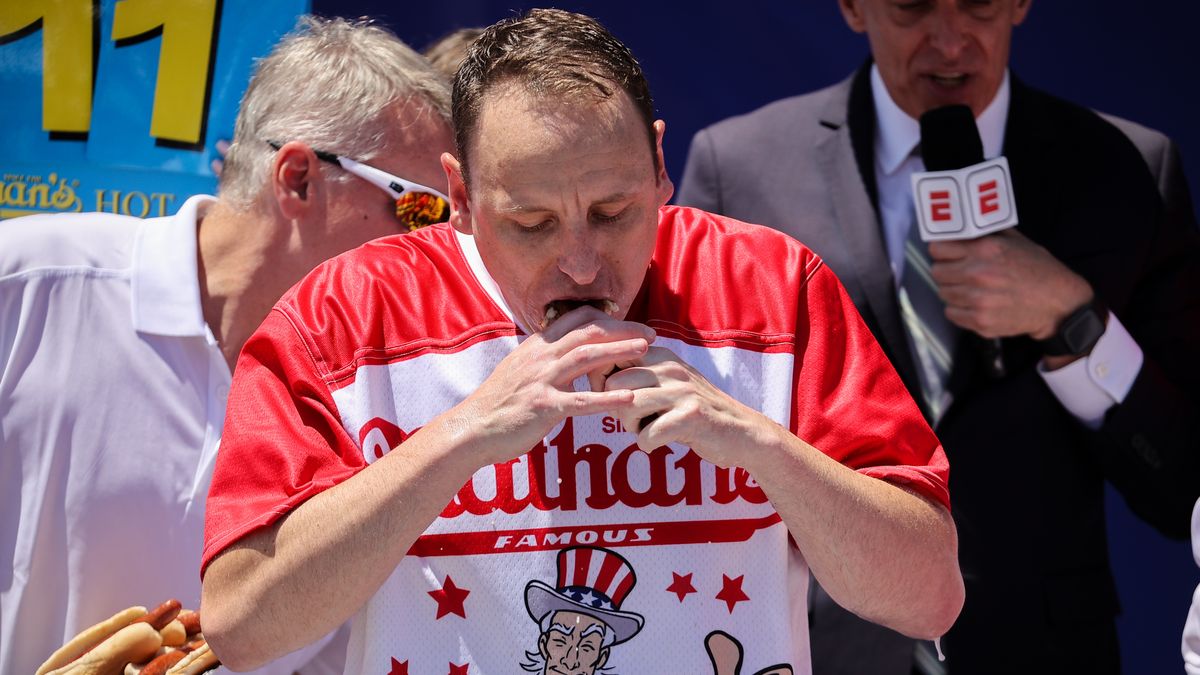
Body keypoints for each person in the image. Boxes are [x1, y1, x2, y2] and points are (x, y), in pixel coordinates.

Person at [199, 8, 964, 675]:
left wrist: (755, 441)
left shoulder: (770, 286)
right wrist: (464, 435)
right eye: (531, 223)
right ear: (460, 196)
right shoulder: (342, 316)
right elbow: (242, 626)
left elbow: (930, 595)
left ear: (660, 167)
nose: (582, 263)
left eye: (613, 211)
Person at [676, 1, 1200, 673]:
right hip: (829, 646)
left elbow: (1183, 486)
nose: (950, 42)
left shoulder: (1128, 170)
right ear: (854, 7)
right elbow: (697, 452)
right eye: (912, 6)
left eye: (978, 4)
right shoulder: (741, 166)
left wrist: (1075, 322)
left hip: (1041, 647)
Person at [0, 15, 453, 675]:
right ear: (298, 178)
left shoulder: (392, 390)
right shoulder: (25, 286)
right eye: (422, 210)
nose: (438, 248)